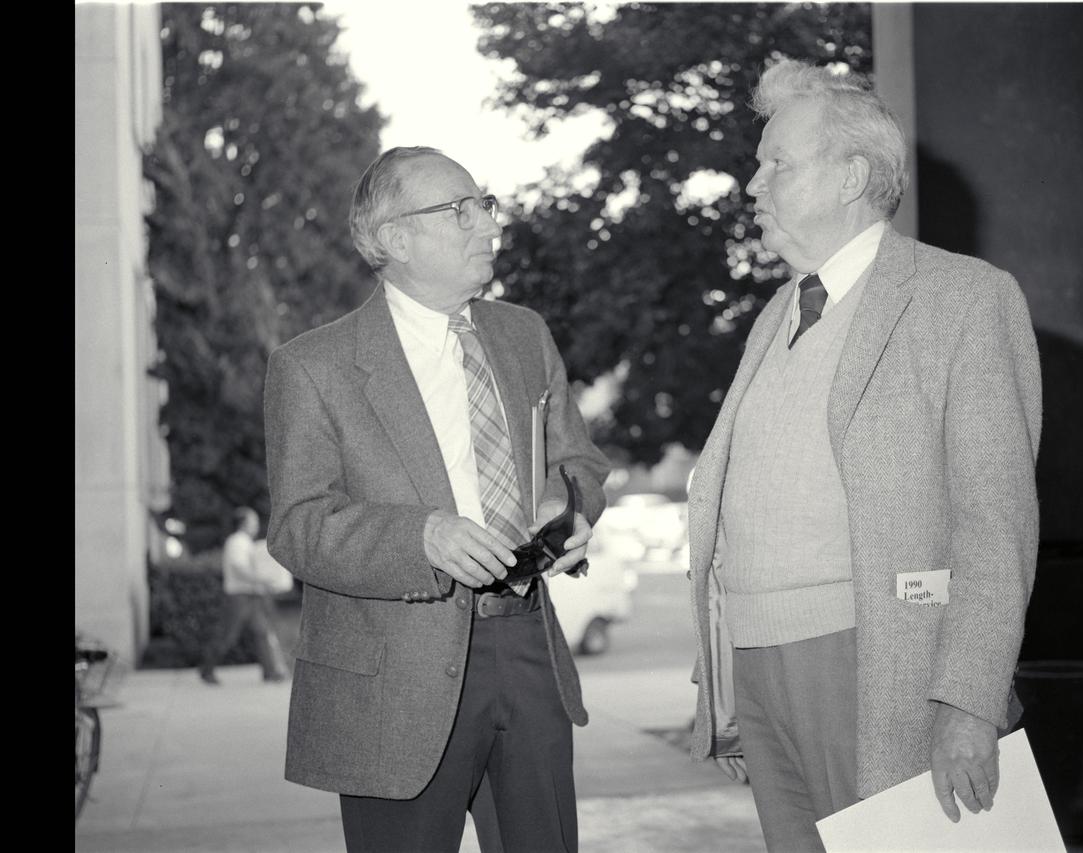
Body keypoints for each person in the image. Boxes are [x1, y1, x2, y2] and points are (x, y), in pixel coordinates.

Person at [687, 59, 1043, 851]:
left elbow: (996, 523)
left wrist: (970, 700)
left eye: (776, 163)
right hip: (761, 667)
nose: (752, 183)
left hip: (875, 657)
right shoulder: (776, 313)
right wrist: (724, 680)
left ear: (852, 175)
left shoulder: (964, 297)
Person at [263, 145, 611, 853]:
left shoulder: (523, 334)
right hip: (394, 679)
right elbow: (298, 527)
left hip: (528, 648)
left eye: (486, 205)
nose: (488, 225)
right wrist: (419, 537)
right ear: (395, 240)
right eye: (462, 210)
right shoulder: (312, 366)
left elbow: (580, 461)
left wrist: (570, 504)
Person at [199, 507, 290, 685]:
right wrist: (262, 580)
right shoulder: (237, 542)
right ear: (243, 523)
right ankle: (206, 670)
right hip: (239, 597)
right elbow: (239, 568)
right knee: (228, 635)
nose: (256, 525)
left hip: (251, 595)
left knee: (262, 632)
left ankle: (270, 672)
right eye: (253, 521)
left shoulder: (246, 543)